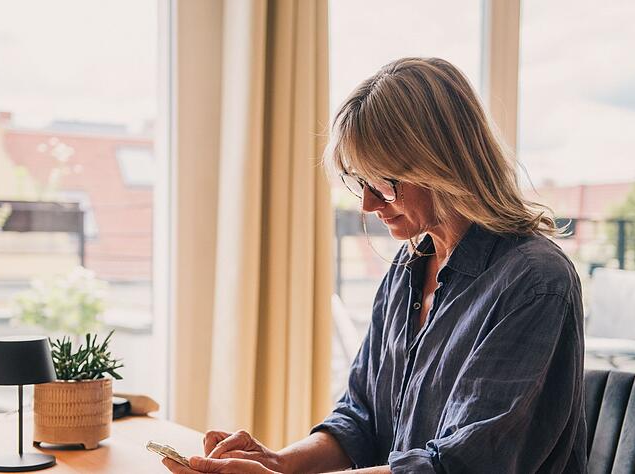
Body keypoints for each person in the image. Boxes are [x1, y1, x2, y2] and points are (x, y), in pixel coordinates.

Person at [163, 57, 587, 473]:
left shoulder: (535, 282)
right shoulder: (409, 267)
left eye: (385, 182)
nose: (367, 204)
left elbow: (462, 464)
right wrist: (279, 462)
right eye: (360, 182)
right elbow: (359, 418)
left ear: (443, 163)